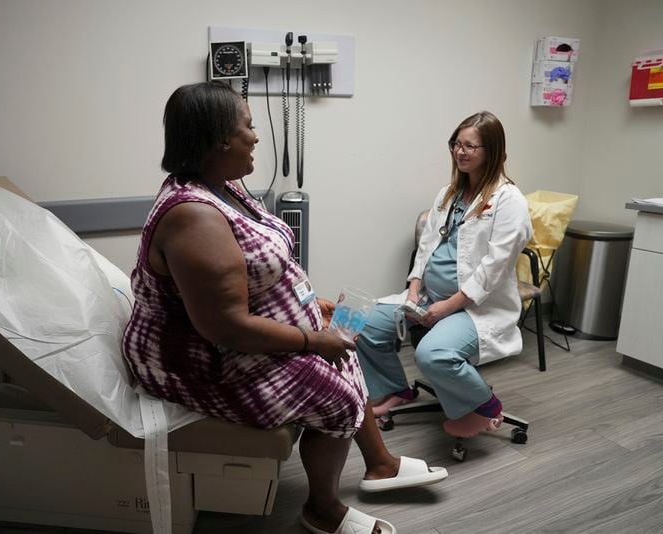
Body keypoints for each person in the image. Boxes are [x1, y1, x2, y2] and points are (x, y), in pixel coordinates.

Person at [123, 82, 446, 534]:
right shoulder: (192, 217)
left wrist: (313, 305)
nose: (256, 136)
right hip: (201, 362)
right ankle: (322, 511)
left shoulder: (225, 185)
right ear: (220, 139)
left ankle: (381, 465)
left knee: (346, 358)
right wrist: (312, 338)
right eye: (249, 126)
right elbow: (225, 327)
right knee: (336, 398)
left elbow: (265, 268)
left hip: (249, 332)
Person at [356, 111, 532, 438]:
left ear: (492, 152)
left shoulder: (510, 203)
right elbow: (426, 247)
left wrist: (447, 307)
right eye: (456, 144)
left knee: (432, 353)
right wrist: (412, 290)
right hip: (428, 297)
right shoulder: (449, 194)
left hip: (475, 308)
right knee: (363, 323)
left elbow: (493, 269)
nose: (460, 152)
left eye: (470, 146)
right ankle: (397, 390)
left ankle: (485, 406)